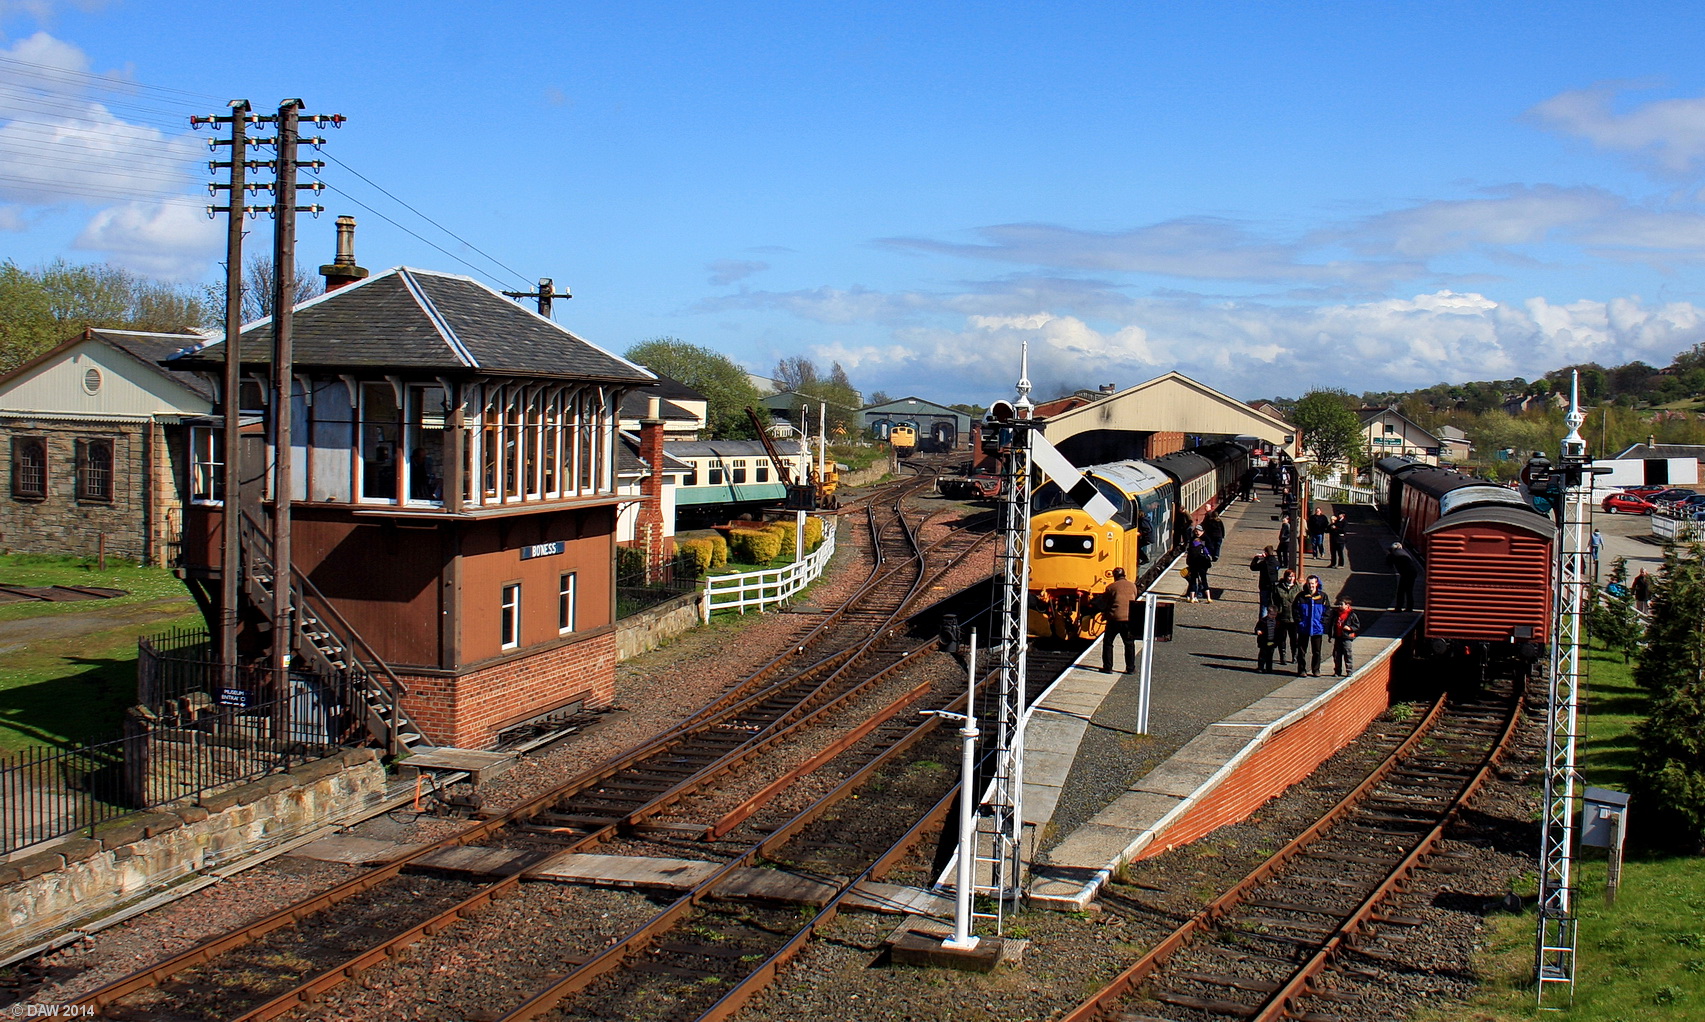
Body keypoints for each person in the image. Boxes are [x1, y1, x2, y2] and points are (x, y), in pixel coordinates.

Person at [1099, 567, 1140, 673]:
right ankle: (1130, 668)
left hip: (1114, 619)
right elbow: (1135, 597)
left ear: (1114, 576)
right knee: (1129, 643)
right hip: (1128, 618)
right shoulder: (1132, 585)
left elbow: (1105, 602)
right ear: (1124, 575)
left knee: (1108, 643)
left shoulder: (1111, 587)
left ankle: (1108, 667)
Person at [1293, 575, 1330, 676]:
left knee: (1317, 651)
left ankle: (1316, 669)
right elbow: (1295, 611)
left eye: (1313, 584)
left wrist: (1322, 623)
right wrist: (1299, 622)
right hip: (1303, 628)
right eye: (1309, 584)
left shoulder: (1323, 597)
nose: (1311, 586)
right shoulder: (1300, 596)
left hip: (1317, 628)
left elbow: (1327, 611)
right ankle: (1301, 670)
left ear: (1316, 584)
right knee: (1301, 651)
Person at [1272, 569, 1301, 664]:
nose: (1291, 578)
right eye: (1289, 576)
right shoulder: (1278, 588)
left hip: (1294, 618)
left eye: (1293, 576)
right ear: (1285, 577)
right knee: (1281, 638)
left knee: (1294, 639)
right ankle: (1282, 656)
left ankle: (1295, 656)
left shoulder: (1298, 588)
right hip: (1282, 616)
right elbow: (1273, 601)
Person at [1330, 597, 1362, 676]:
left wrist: (1350, 628)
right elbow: (1332, 625)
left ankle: (1349, 670)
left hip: (1346, 637)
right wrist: (1331, 635)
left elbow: (1357, 625)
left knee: (1347, 654)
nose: (1340, 606)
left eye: (1342, 604)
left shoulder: (1351, 614)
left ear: (1347, 605)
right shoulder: (1336, 614)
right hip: (1338, 637)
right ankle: (1337, 671)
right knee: (1337, 654)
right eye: (1339, 604)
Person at [1385, 542, 1419, 612]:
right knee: (1409, 591)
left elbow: (1389, 564)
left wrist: (1388, 555)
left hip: (1406, 573)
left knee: (1401, 591)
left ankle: (1398, 608)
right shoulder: (1403, 552)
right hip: (1413, 572)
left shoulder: (1393, 554)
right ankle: (1409, 608)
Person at [1249, 545, 1281, 610]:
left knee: (1264, 605)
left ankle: (1264, 616)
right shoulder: (1276, 562)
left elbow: (1253, 567)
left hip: (1264, 586)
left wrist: (1256, 558)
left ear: (1265, 553)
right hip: (1274, 585)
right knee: (1273, 603)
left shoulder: (1264, 563)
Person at [1185, 532, 1214, 602]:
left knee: (1193, 582)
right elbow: (1208, 555)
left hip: (1193, 566)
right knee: (1204, 581)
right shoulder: (1202, 547)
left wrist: (1189, 565)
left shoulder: (1191, 548)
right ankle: (1208, 598)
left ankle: (1191, 598)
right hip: (1202, 566)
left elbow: (1188, 559)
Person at [1254, 604, 1281, 673]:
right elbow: (1257, 627)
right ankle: (1260, 667)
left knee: (1270, 655)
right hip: (1264, 641)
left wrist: (1277, 640)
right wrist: (1258, 631)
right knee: (1262, 654)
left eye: (1275, 615)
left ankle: (1269, 668)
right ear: (1268, 613)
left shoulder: (1277, 622)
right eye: (1272, 615)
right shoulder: (1263, 621)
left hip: (1272, 641)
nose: (1273, 616)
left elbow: (1278, 632)